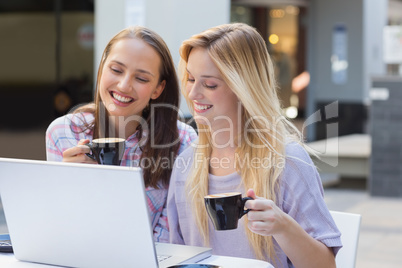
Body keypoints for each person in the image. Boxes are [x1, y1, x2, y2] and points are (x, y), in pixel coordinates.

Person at [166, 23, 342, 268]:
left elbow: (325, 265)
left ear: (243, 88)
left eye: (210, 84)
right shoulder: (186, 163)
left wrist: (283, 227)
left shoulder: (288, 161)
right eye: (191, 79)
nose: (193, 93)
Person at [46, 26, 197, 242]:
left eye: (142, 79)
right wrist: (69, 181)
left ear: (158, 89)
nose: (124, 85)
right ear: (102, 68)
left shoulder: (184, 141)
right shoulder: (62, 132)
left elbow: (168, 239)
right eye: (116, 70)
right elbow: (59, 226)